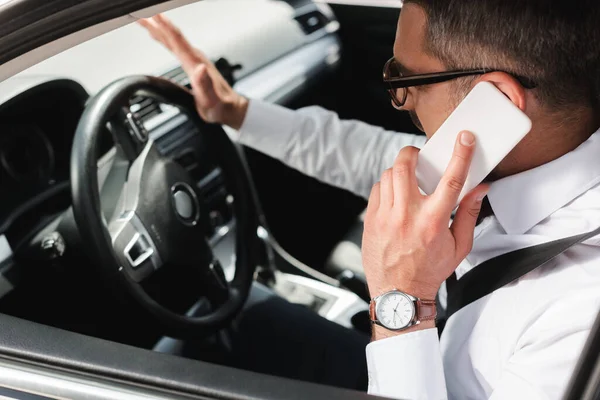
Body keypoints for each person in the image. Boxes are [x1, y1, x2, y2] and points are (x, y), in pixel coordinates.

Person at [139, 0, 600, 398]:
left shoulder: (579, 317)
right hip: (420, 358)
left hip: (414, 364)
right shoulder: (512, 160)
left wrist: (401, 299)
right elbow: (358, 151)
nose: (402, 101)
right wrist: (235, 111)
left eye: (406, 80)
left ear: (497, 100)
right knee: (226, 320)